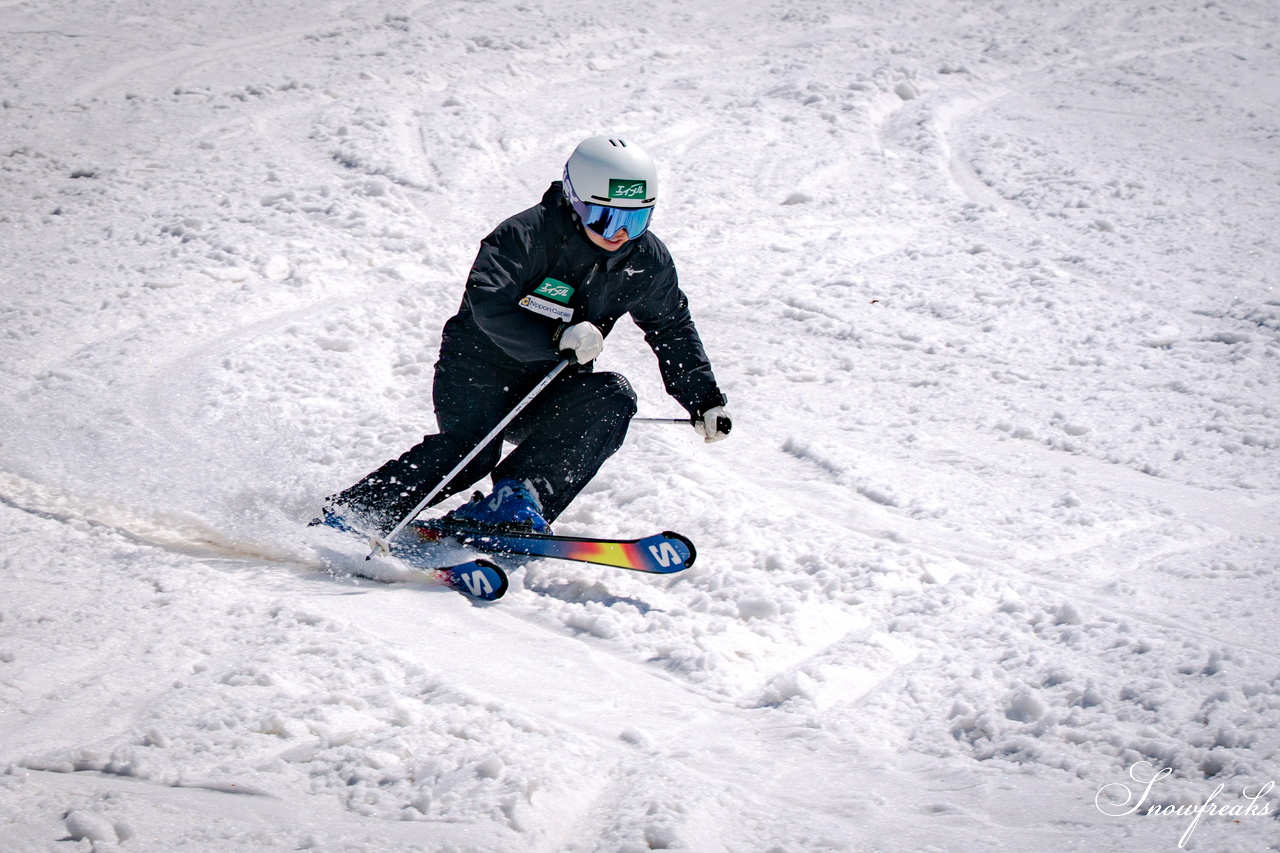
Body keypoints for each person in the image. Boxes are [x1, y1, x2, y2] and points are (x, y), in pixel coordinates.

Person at [321, 135, 731, 537]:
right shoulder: (525, 235)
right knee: (471, 453)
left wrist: (704, 399)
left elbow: (671, 326)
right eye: (605, 217)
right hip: (478, 367)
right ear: (574, 199)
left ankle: (519, 498)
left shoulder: (646, 261)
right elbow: (487, 302)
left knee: (614, 397)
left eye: (635, 219)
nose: (619, 233)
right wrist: (557, 336)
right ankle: (356, 512)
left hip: (553, 380)